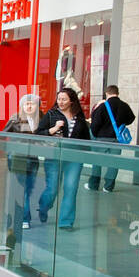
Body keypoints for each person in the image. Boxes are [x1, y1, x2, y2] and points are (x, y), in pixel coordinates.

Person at [35, 86, 90, 230]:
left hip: (75, 157)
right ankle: (43, 207)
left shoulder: (79, 116)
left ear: (71, 101)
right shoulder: (51, 114)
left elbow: (85, 138)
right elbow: (38, 133)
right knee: (52, 189)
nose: (61, 102)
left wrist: (87, 153)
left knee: (71, 188)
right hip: (54, 156)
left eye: (64, 99)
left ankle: (66, 222)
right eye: (59, 99)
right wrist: (52, 130)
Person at [4, 93, 43, 230]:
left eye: (32, 103)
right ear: (22, 106)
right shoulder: (15, 119)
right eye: (26, 104)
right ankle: (24, 218)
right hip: (18, 156)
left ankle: (18, 215)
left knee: (28, 188)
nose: (29, 106)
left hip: (33, 159)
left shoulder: (42, 119)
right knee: (22, 189)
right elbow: (4, 134)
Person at [86, 84, 134, 192]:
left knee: (97, 162)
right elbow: (131, 118)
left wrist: (95, 134)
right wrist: (121, 125)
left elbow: (95, 124)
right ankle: (108, 187)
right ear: (117, 93)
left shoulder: (103, 106)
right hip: (117, 139)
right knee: (114, 163)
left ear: (107, 93)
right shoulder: (124, 105)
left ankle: (93, 185)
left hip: (102, 139)